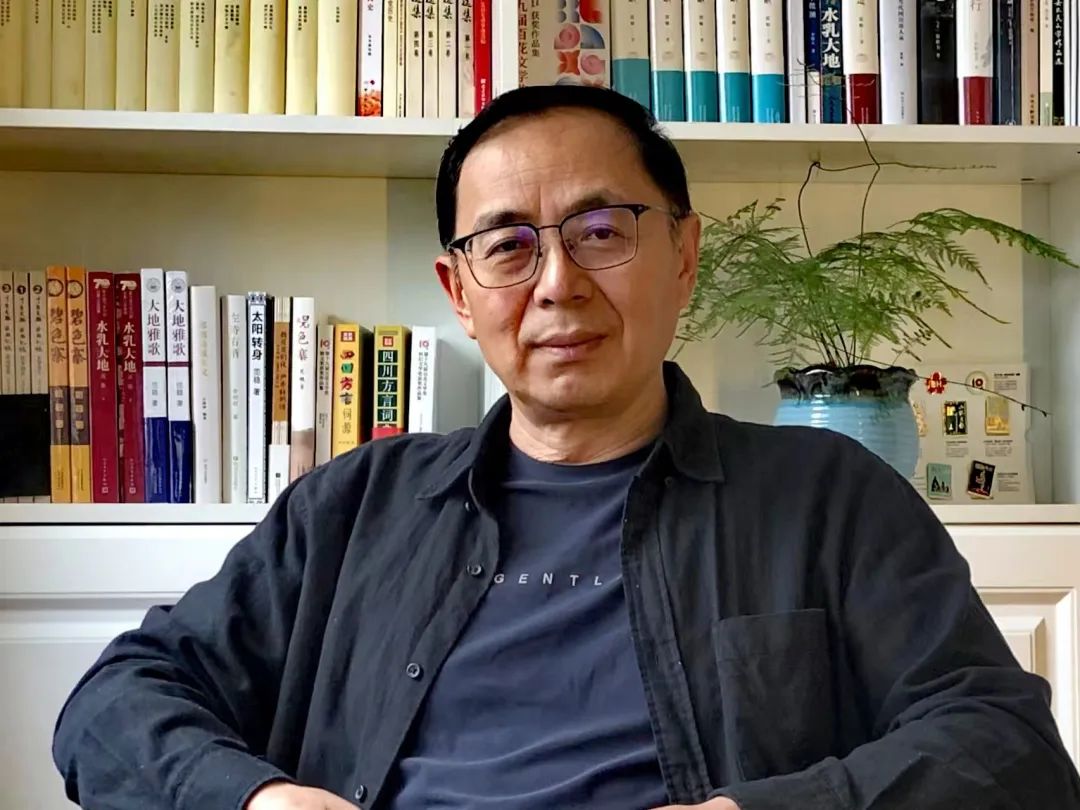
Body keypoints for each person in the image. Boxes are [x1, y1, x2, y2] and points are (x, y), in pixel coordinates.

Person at [53, 85, 1080, 810]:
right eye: (508, 246)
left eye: (601, 230)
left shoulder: (827, 498)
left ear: (683, 254)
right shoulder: (351, 510)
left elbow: (1006, 748)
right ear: (460, 293)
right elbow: (114, 703)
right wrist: (257, 799)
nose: (557, 285)